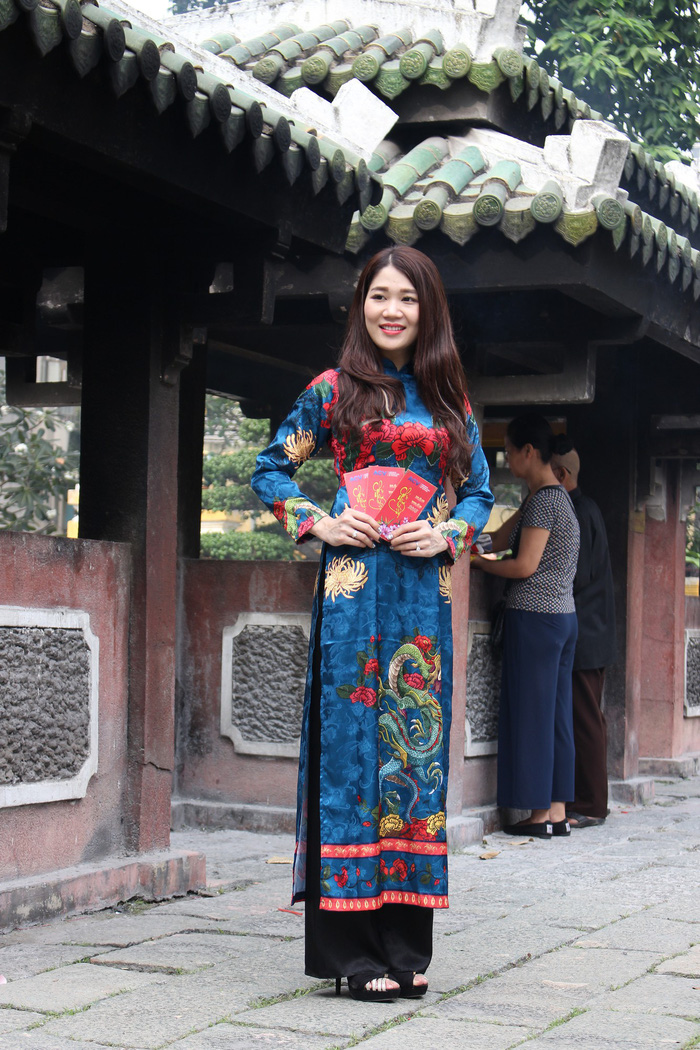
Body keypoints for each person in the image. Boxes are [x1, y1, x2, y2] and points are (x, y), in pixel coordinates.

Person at [251, 246, 493, 1002]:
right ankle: (349, 953)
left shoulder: (450, 402)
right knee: (349, 753)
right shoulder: (333, 392)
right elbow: (270, 468)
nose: (393, 310)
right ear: (360, 305)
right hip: (353, 591)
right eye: (379, 296)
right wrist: (319, 522)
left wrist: (449, 535)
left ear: (429, 311)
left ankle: (403, 944)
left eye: (409, 299)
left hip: (421, 595)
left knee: (412, 756)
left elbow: (481, 494)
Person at [472, 414, 580, 838]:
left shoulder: (545, 501)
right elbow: (501, 538)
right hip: (562, 619)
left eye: (509, 452)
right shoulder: (551, 498)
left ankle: (537, 818)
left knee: (534, 717)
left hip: (537, 618)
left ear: (528, 452)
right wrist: (473, 541)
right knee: (556, 717)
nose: (507, 460)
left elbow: (523, 565)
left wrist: (476, 563)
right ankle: (556, 812)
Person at [551, 439, 616, 828]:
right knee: (583, 717)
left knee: (586, 719)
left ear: (561, 474)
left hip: (587, 631)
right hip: (592, 629)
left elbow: (577, 575)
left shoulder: (578, 510)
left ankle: (592, 804)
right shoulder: (581, 507)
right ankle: (585, 798)